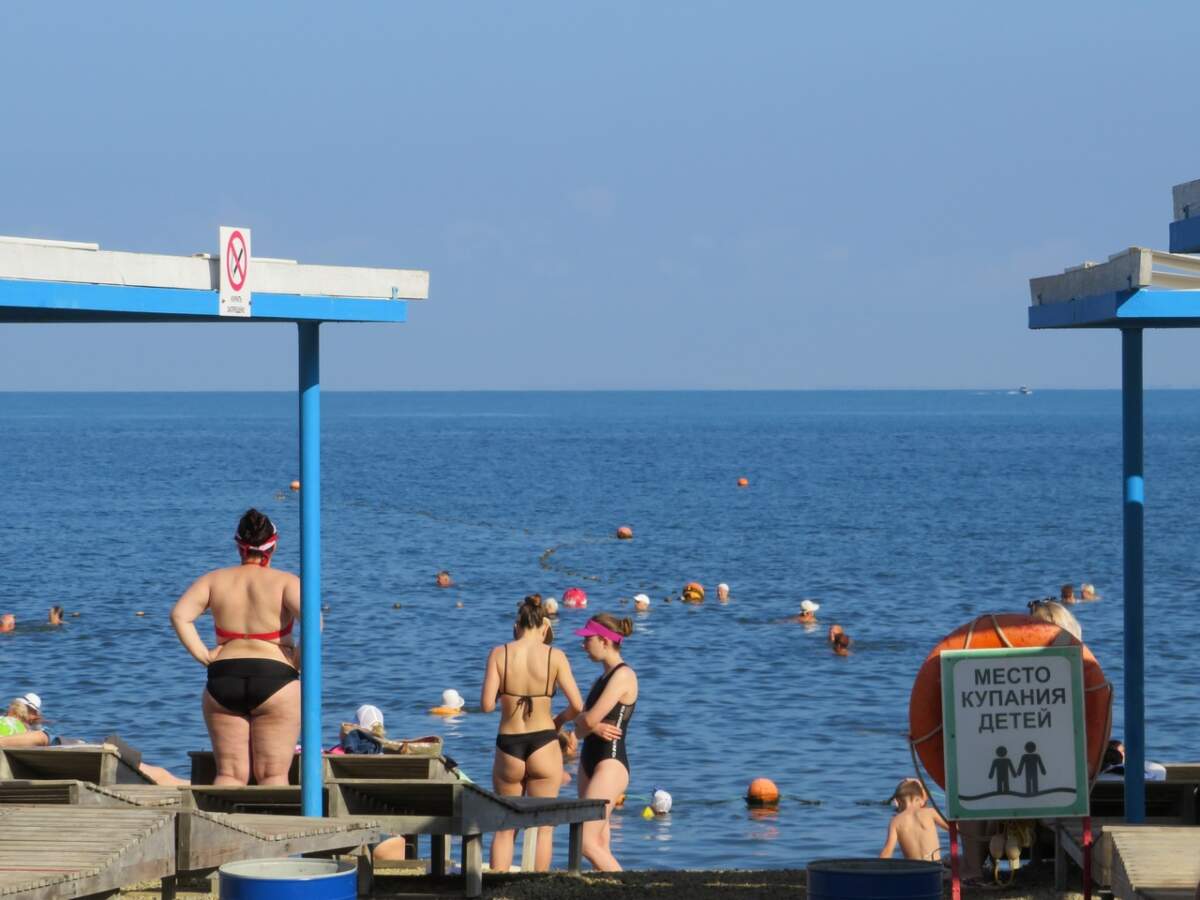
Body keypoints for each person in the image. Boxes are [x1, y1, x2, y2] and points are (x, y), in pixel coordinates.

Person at [170, 509, 301, 786]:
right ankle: (271, 830)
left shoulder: (213, 580)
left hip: (224, 676)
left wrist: (205, 656)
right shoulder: (287, 582)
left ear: (238, 545)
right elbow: (315, 624)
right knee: (273, 775)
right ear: (273, 545)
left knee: (229, 774)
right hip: (275, 675)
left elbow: (180, 616)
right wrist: (297, 660)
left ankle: (221, 827)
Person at [481, 594, 584, 872]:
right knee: (542, 828)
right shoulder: (555, 655)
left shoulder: (499, 653)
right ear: (544, 628)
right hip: (544, 741)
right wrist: (558, 722)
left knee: (504, 826)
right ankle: (538, 888)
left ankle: (497, 888)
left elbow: (487, 705)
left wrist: (509, 691)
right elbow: (577, 705)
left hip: (508, 745)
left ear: (517, 626)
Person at [573, 613, 638, 872]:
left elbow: (586, 721)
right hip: (589, 761)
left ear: (604, 640)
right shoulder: (601, 678)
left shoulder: (624, 675)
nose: (583, 645)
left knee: (586, 842)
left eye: (587, 639)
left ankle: (629, 890)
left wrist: (586, 725)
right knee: (599, 840)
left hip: (610, 764)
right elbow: (583, 718)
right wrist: (589, 724)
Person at [879, 778, 948, 860]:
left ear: (897, 802)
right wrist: (920, 784)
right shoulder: (930, 812)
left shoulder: (895, 821)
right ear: (921, 800)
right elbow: (955, 828)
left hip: (914, 868)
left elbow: (887, 851)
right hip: (934, 866)